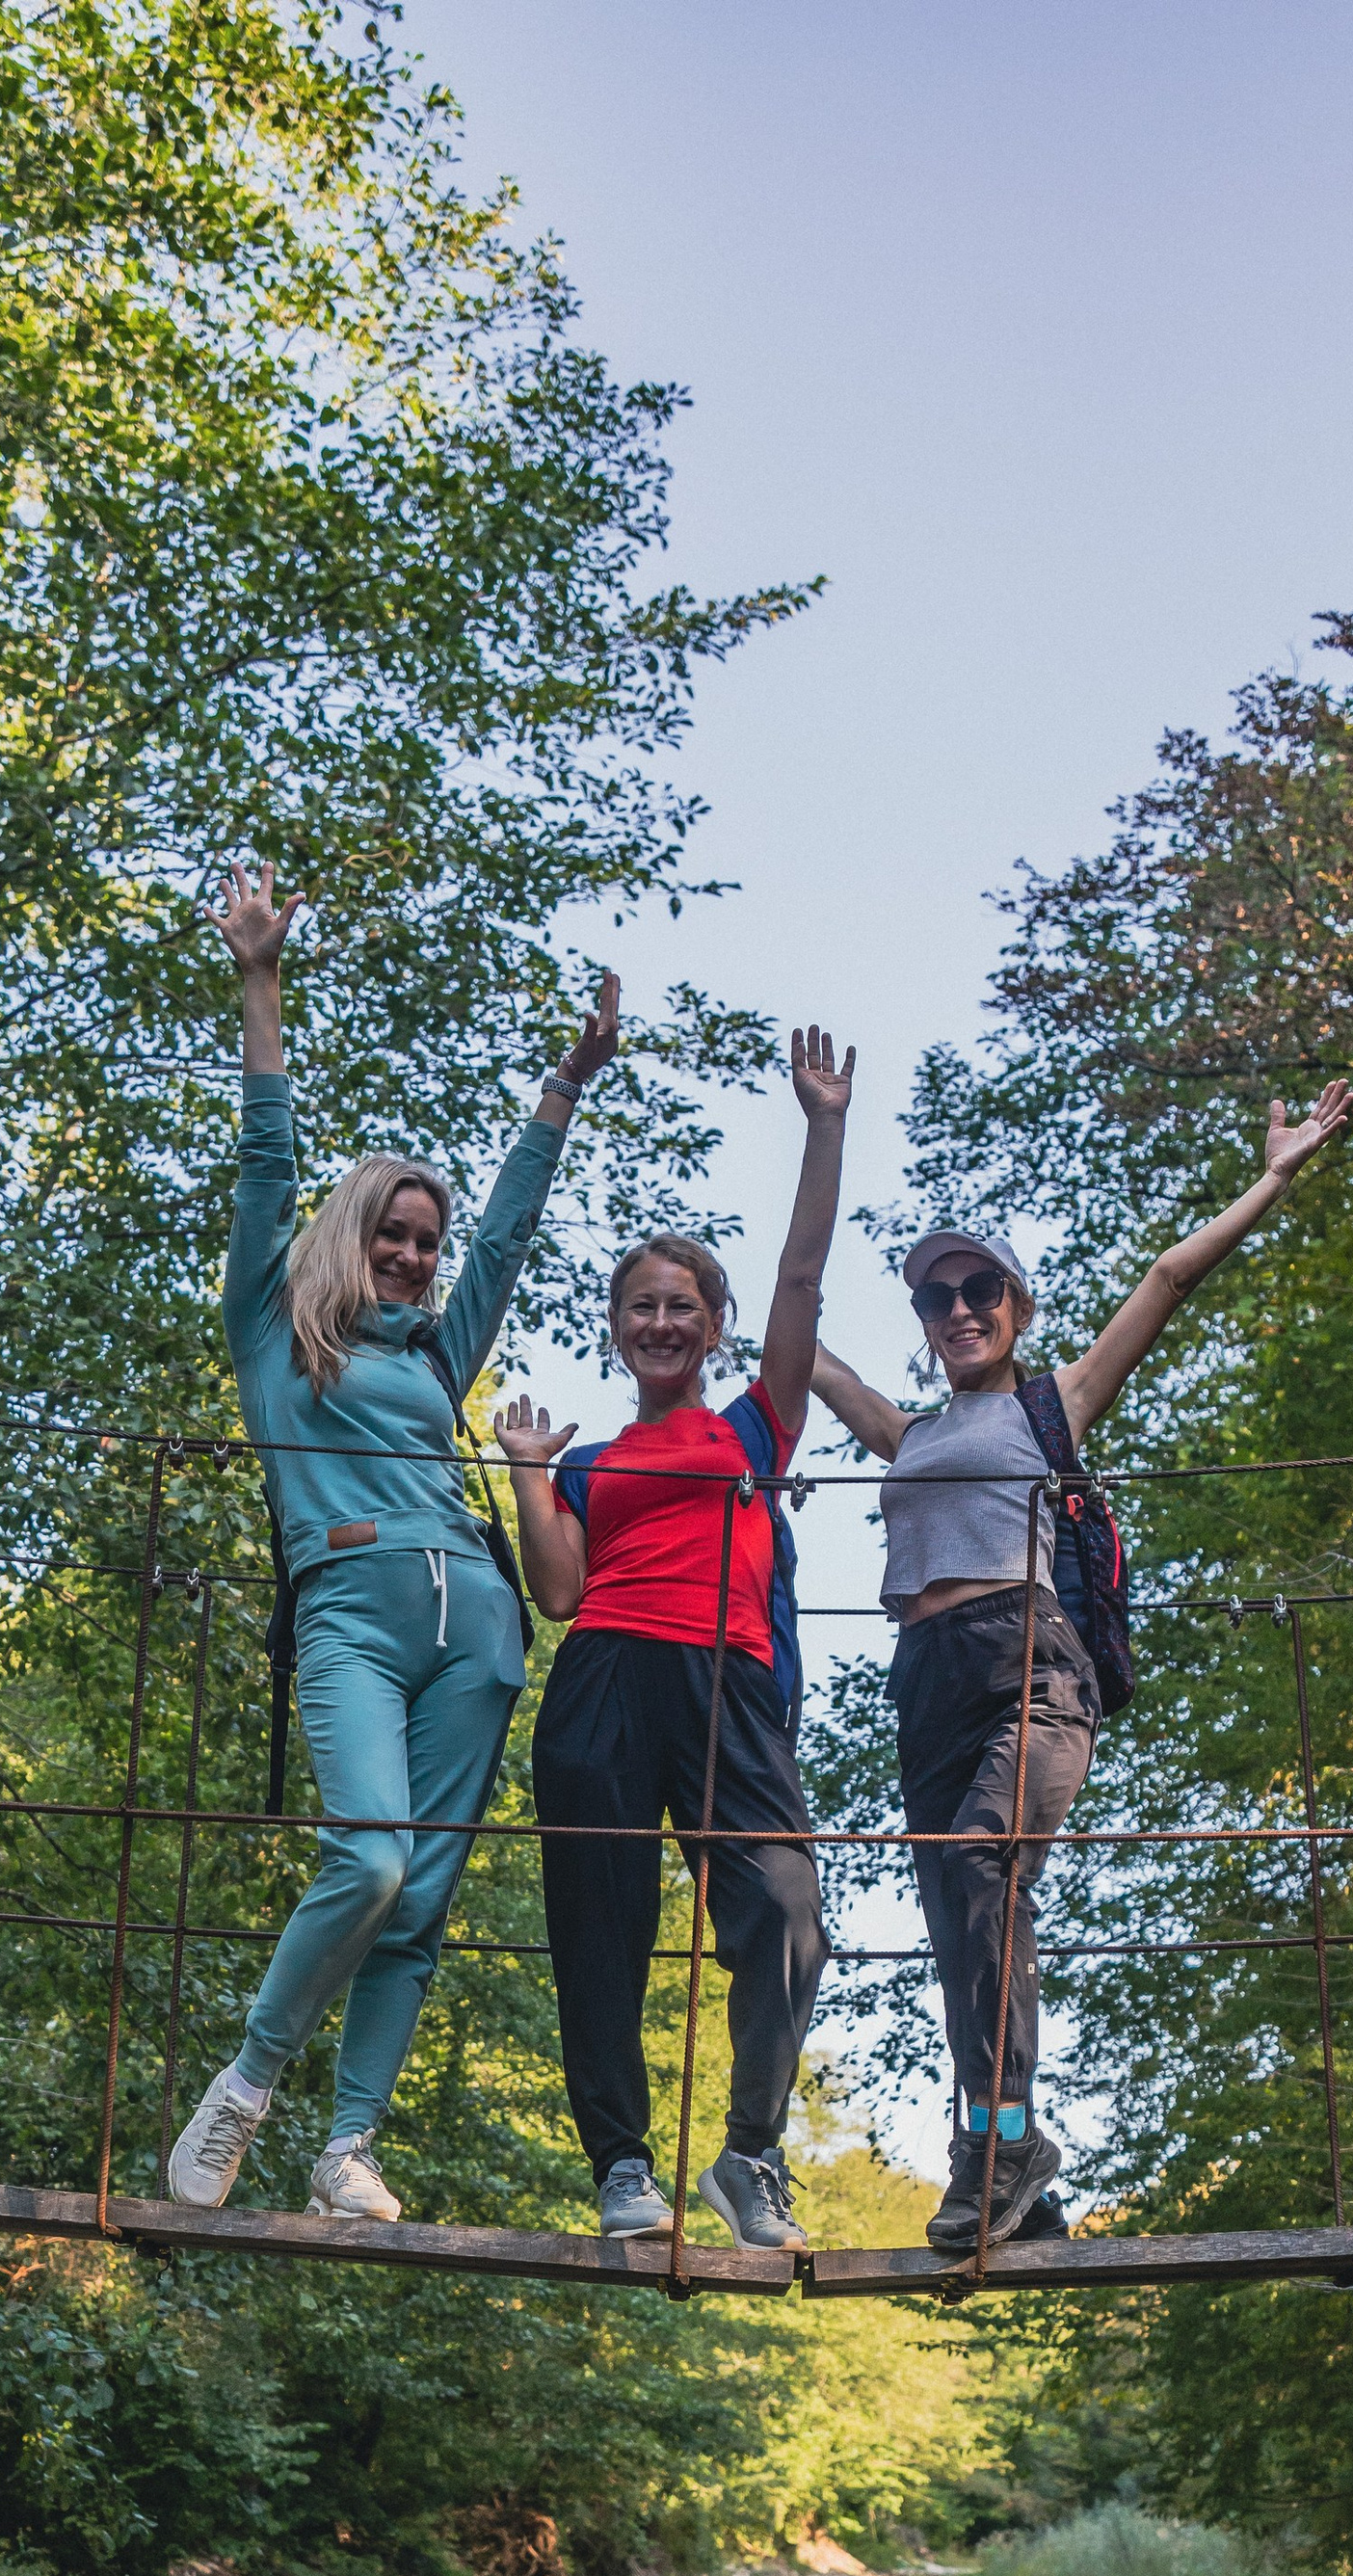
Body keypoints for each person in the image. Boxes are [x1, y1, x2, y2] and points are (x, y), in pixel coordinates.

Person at [809, 1080, 1353, 2253]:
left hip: (1030, 1666)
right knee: (964, 1921)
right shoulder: (906, 1435)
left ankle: (997, 2150)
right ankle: (1015, 2166)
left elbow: (1165, 1282)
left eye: (977, 1290)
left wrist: (1273, 1175)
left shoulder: (1054, 1405)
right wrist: (816, 1146)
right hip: (925, 1680)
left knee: (978, 1863)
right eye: (934, 1296)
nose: (956, 1308)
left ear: (1014, 1305)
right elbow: (791, 1335)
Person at [167, 866, 620, 2220]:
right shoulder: (273, 1332)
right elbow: (264, 1158)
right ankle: (246, 2090)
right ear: (349, 1236)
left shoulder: (440, 1350)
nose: (418, 1257)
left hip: (476, 1630)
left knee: (417, 1897)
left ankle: (346, 2145)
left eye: (426, 1241)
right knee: (364, 1857)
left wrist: (565, 1089)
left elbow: (511, 1236)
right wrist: (261, 980)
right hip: (352, 1610)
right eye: (395, 1235)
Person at [497, 1028, 855, 2250]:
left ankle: (748, 2156)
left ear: (713, 1329)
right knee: (599, 1931)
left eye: (683, 1308)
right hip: (601, 1683)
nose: (662, 1323)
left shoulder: (756, 1427)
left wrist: (822, 1125)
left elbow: (801, 1282)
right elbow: (556, 1594)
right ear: (618, 1325)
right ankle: (621, 2169)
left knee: (789, 1912)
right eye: (642, 1306)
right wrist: (526, 1479)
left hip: (729, 1686)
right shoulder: (589, 1459)